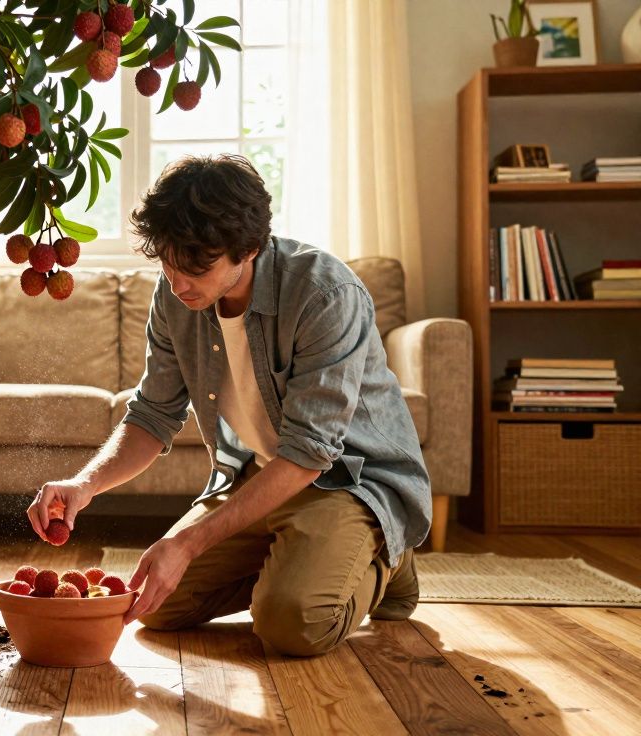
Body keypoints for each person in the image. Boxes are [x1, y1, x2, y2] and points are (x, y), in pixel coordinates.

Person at [25, 154, 430, 657]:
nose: (178, 283)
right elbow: (153, 415)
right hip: (254, 478)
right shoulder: (175, 295)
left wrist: (191, 544)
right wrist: (85, 484)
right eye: (169, 263)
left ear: (249, 248)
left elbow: (309, 453)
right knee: (153, 605)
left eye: (197, 267)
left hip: (346, 482)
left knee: (292, 625)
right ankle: (301, 559)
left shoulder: (325, 294)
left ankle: (387, 553)